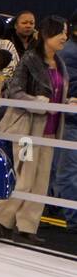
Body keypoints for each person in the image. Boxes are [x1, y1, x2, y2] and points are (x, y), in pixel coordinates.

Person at [0, 16, 72, 241]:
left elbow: (55, 97)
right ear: (47, 34)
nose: (65, 36)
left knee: (40, 182)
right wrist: (36, 102)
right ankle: (0, 218)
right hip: (27, 130)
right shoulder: (29, 59)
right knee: (24, 178)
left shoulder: (60, 63)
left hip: (50, 131)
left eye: (65, 31)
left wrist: (67, 103)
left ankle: (27, 225)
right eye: (60, 32)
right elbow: (13, 92)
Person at [54, 11, 77, 229]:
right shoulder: (70, 52)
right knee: (68, 169)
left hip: (70, 118)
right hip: (71, 118)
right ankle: (73, 217)